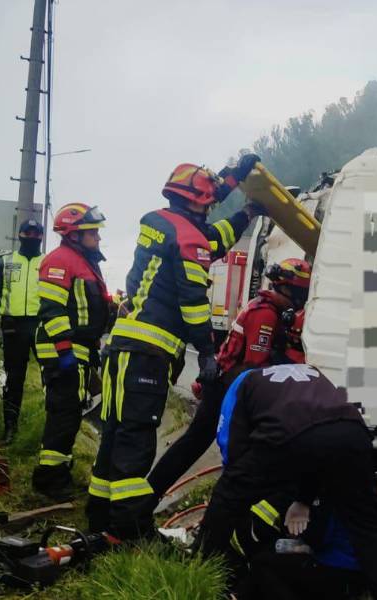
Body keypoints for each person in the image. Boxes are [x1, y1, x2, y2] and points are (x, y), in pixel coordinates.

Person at [88, 158, 259, 540]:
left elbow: (212, 239)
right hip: (147, 354)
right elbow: (194, 301)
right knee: (136, 439)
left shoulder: (163, 225)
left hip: (123, 347)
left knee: (114, 433)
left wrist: (245, 206)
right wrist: (208, 352)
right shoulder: (188, 239)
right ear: (197, 201)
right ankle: (128, 530)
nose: (213, 205)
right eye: (210, 200)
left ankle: (100, 517)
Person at [195, 364, 377, 600]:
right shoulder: (307, 372)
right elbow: (317, 438)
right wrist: (304, 498)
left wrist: (237, 491)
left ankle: (196, 571)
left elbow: (231, 451)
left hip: (289, 433)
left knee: (227, 497)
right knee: (366, 524)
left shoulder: (239, 384)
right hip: (351, 430)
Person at [147, 258, 312, 501]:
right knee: (209, 449)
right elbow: (256, 366)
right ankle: (148, 497)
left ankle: (148, 496)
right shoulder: (266, 313)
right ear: (292, 290)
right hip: (228, 389)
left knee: (193, 445)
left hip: (226, 386)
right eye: (302, 293)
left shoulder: (266, 306)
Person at [31, 203, 111, 501]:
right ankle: (48, 482)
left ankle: (58, 476)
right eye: (93, 233)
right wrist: (65, 351)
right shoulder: (60, 260)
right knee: (63, 415)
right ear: (74, 234)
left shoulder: (82, 261)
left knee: (70, 415)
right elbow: (52, 310)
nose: (98, 238)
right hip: (61, 351)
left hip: (78, 351)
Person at [230, 495, 367, 600]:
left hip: (337, 569)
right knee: (270, 555)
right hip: (354, 569)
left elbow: (317, 539)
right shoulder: (349, 484)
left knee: (261, 563)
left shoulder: (326, 491)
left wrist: (298, 524)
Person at [0, 219, 45, 445]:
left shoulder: (48, 261)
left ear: (41, 236)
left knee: (51, 377)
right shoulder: (5, 261)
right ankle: (10, 427)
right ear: (19, 234)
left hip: (41, 326)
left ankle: (50, 429)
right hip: (13, 326)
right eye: (27, 232)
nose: (31, 236)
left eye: (36, 232)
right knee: (14, 379)